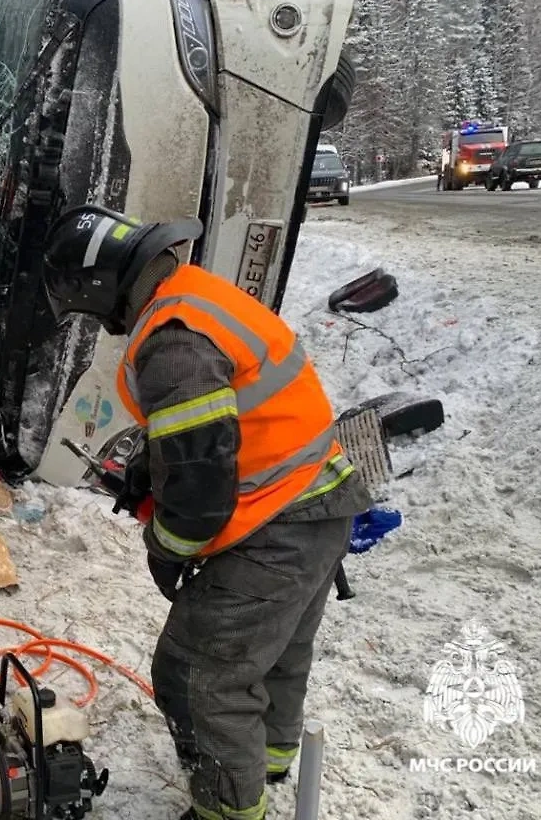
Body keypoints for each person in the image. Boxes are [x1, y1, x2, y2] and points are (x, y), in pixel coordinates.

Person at [42, 205, 373, 820]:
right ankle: (266, 762)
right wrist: (152, 462)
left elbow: (198, 489)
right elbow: (215, 427)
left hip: (279, 522)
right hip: (318, 497)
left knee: (199, 673)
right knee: (274, 652)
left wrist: (167, 547)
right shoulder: (193, 297)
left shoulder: (173, 343)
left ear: (101, 287)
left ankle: (228, 808)